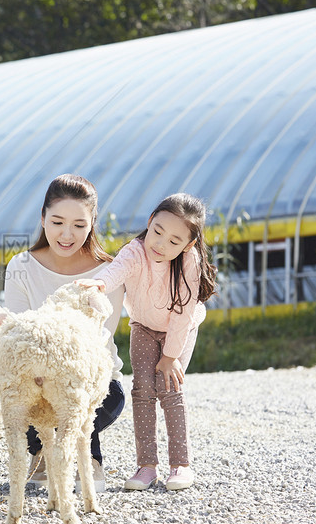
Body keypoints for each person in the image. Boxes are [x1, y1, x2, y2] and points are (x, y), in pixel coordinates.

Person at [77, 192, 217, 491]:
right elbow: (117, 270)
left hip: (179, 331)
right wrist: (100, 283)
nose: (161, 244)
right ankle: (147, 466)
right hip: (143, 326)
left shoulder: (189, 262)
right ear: (150, 221)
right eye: (158, 232)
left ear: (189, 244)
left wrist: (170, 356)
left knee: (169, 388)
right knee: (142, 391)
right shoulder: (135, 250)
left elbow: (183, 313)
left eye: (174, 241)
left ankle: (180, 465)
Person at [3, 173, 126, 492]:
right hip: (36, 378)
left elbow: (98, 339)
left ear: (92, 223)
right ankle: (44, 452)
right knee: (26, 389)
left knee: (84, 391)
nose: (67, 234)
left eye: (79, 225)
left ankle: (81, 456)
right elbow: (17, 332)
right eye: (57, 221)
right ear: (42, 218)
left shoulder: (108, 273)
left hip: (92, 382)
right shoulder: (21, 267)